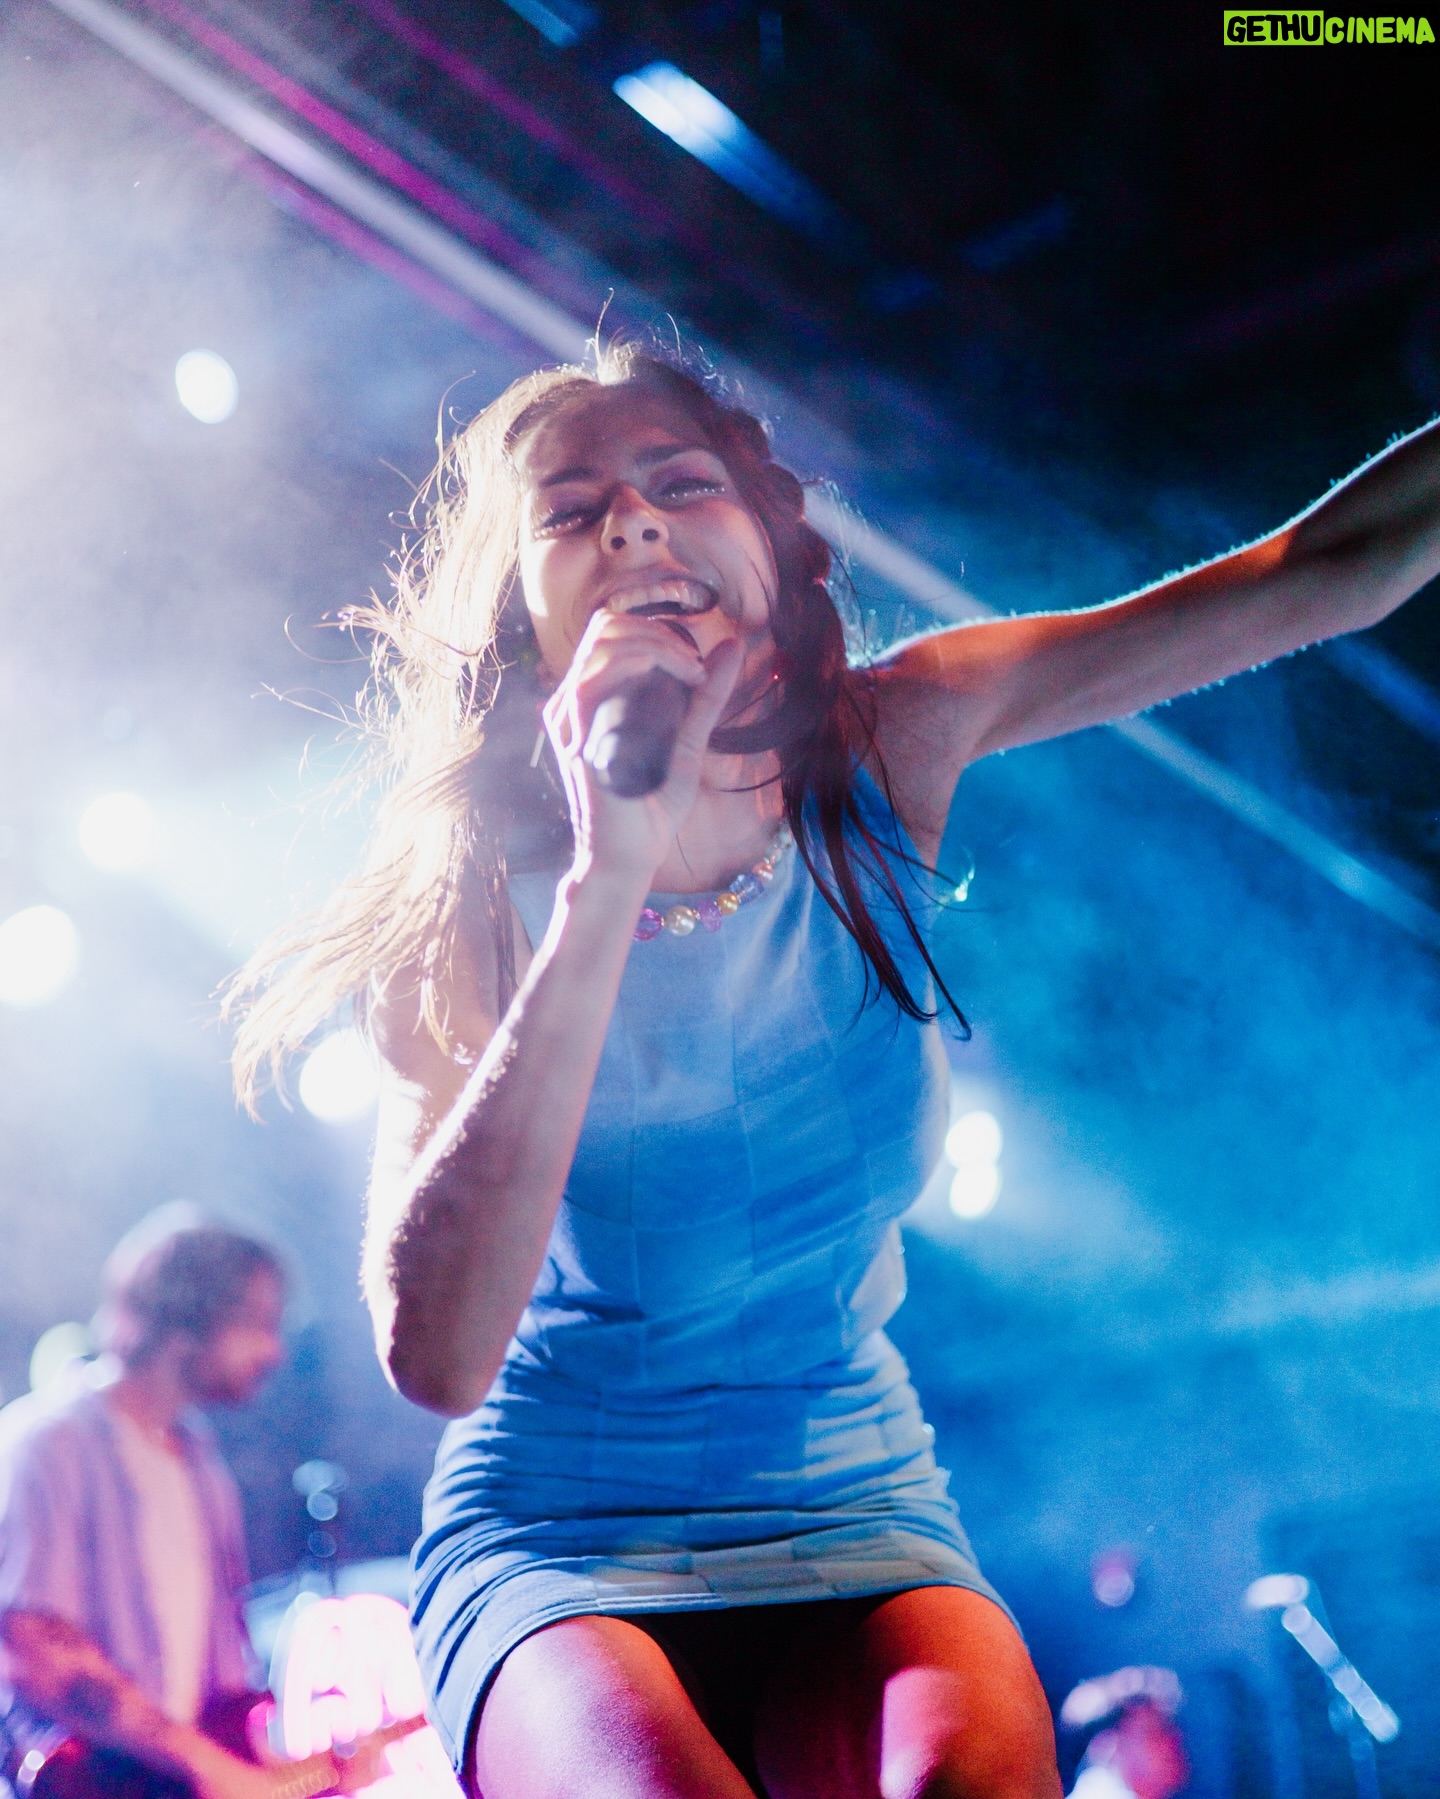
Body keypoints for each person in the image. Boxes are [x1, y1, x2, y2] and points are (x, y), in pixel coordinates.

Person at [227, 345, 1440, 1799]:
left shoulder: (886, 741)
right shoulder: (461, 904)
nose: (635, 521)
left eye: (682, 483)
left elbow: (1329, 567)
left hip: (852, 1495)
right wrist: (609, 868)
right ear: (522, 612)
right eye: (573, 510)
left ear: (765, 546)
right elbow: (437, 1356)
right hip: (559, 1532)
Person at [0, 1207, 307, 1798]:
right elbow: (39, 1656)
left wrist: (266, 1762)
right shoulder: (46, 1446)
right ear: (186, 1322)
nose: (273, 1352)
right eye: (257, 1324)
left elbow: (216, 1686)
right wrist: (208, 1767)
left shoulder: (201, 1463)